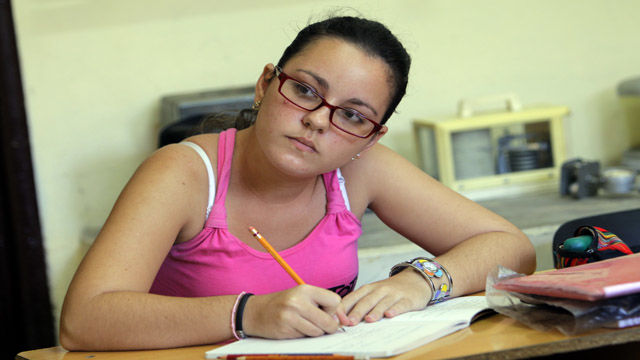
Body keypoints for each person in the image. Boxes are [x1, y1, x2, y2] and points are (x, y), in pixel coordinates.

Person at [59, 15, 536, 351]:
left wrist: (422, 282)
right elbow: (84, 322)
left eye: (352, 115)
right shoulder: (183, 174)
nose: (318, 122)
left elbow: (510, 247)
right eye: (305, 91)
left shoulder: (360, 168)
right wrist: (249, 314)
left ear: (371, 137)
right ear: (266, 85)